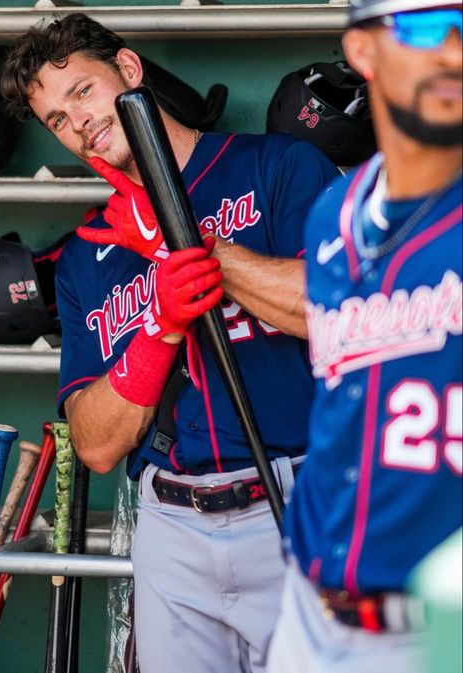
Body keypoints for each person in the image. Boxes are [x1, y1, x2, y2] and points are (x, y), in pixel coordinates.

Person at [0, 13, 339, 673]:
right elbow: (95, 444)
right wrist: (156, 326)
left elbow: (332, 310)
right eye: (57, 121)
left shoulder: (279, 166)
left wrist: (185, 246)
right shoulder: (86, 255)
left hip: (298, 502)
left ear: (128, 71)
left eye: (82, 93)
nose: (78, 123)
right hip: (172, 525)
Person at [267, 2, 462, 673]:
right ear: (362, 51)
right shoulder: (335, 212)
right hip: (309, 607)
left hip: (434, 630)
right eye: (424, 26)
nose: (453, 51)